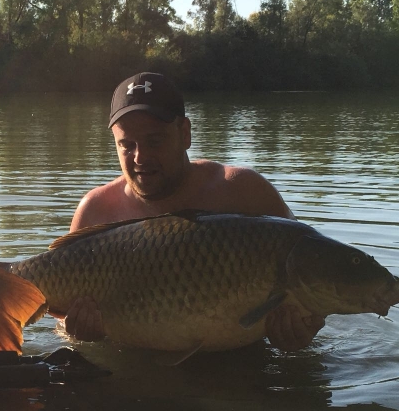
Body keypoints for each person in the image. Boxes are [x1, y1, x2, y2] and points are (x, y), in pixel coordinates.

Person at [64, 72, 325, 351]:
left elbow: (312, 276)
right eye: (127, 145)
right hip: (135, 364)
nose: (140, 157)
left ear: (185, 133)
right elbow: (61, 323)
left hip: (239, 366)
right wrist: (77, 334)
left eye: (154, 141)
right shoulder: (95, 211)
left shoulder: (244, 192)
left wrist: (304, 330)